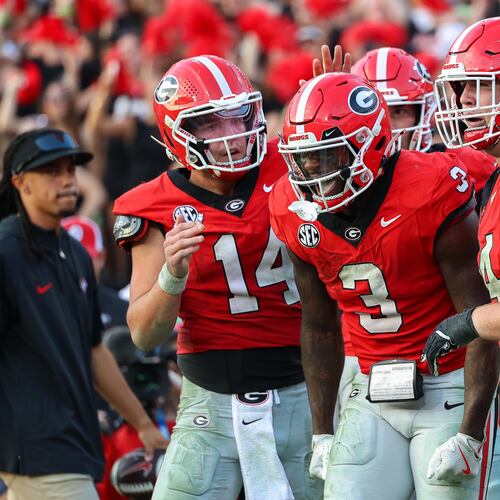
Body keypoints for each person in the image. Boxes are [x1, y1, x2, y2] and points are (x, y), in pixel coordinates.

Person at [268, 71, 498, 499]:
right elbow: (318, 326)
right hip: (370, 385)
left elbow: (477, 319)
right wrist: (321, 431)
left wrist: (471, 431)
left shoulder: (430, 189)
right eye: (304, 159)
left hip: (448, 380)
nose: (313, 174)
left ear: (370, 144)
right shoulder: (289, 206)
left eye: (329, 156)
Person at [112, 55, 330, 500]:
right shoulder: (150, 204)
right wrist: (172, 274)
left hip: (304, 388)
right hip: (208, 400)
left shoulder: (289, 165)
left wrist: (326, 122)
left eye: (239, 116)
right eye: (211, 124)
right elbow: (143, 334)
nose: (232, 134)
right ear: (178, 132)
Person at [0, 128, 168, 500]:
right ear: (20, 182)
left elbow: (94, 352)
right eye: (51, 171)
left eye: (70, 169)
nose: (66, 180)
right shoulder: (6, 252)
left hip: (72, 441)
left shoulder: (74, 254)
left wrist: (142, 424)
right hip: (37, 447)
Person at [421, 16, 500, 499]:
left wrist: (469, 323)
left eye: (479, 88)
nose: (466, 105)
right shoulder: (491, 178)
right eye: (462, 91)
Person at [351, 46, 497, 204]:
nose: (387, 126)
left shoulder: (467, 166)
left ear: (423, 113)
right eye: (376, 115)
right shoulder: (336, 180)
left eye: (399, 111)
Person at [61, 214, 128, 329]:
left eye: (84, 258)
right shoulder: (44, 307)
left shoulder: (124, 310)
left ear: (102, 257)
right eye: (68, 259)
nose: (76, 265)